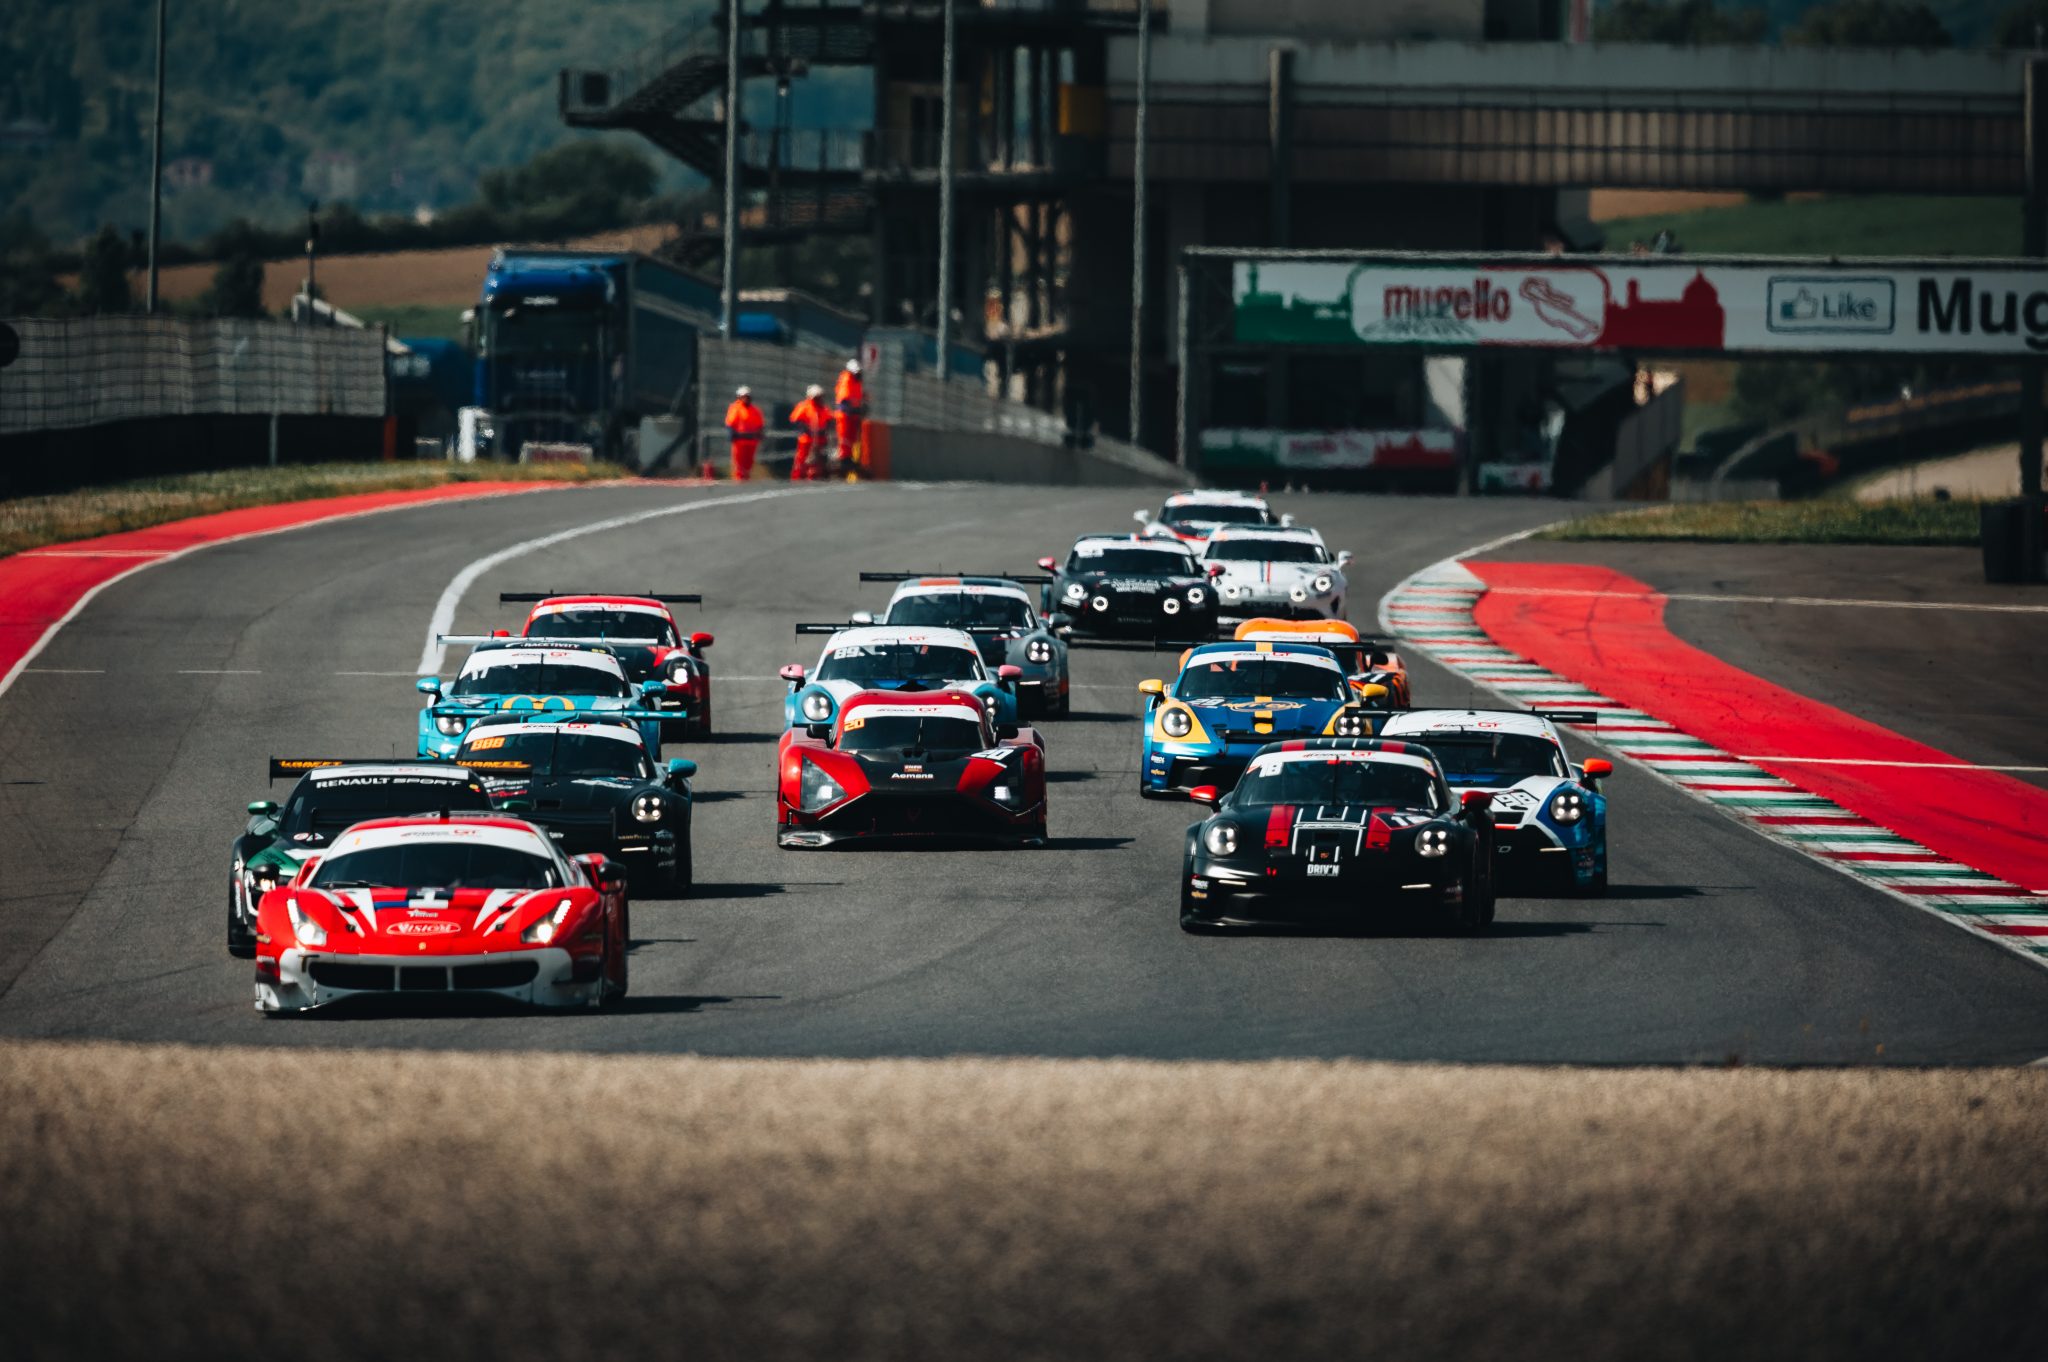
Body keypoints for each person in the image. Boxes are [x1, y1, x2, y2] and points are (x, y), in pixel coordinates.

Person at [789, 384, 831, 481]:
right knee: (801, 461)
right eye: (817, 397)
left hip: (820, 441)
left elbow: (829, 421)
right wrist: (807, 430)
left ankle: (814, 478)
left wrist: (823, 431)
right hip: (806, 440)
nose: (819, 399)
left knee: (818, 464)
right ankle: (798, 479)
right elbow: (796, 420)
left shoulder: (824, 409)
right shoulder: (804, 407)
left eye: (820, 397)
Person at [723, 386, 764, 481]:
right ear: (739, 397)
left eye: (748, 397)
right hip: (740, 442)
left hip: (751, 441)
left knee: (748, 465)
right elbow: (730, 423)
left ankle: (746, 480)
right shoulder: (735, 408)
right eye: (744, 397)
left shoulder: (755, 410)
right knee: (739, 465)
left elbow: (760, 425)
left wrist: (760, 435)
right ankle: (739, 481)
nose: (746, 399)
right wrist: (732, 434)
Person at [833, 359, 865, 473]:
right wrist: (855, 409)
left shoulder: (856, 382)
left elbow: (857, 397)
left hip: (853, 415)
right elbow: (844, 399)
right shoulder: (847, 380)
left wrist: (860, 407)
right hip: (845, 415)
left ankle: (849, 457)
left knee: (851, 437)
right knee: (845, 437)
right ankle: (844, 458)